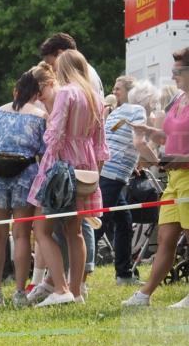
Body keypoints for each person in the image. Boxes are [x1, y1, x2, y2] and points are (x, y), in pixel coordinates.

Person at [27, 55, 108, 306]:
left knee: (42, 230)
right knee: (76, 232)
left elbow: (56, 135)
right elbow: (101, 144)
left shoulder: (66, 93)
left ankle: (61, 289)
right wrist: (95, 173)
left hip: (61, 165)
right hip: (86, 164)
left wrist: (47, 155)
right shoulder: (95, 96)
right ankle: (76, 291)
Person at [124, 48, 189, 308]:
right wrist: (149, 131)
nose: (173, 76)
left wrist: (181, 159)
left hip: (187, 176)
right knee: (165, 238)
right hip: (174, 178)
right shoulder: (178, 99)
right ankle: (144, 295)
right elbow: (170, 138)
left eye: (178, 71)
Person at [0, 70, 47, 306]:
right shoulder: (40, 117)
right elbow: (43, 154)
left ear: (15, 91)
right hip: (25, 177)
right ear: (37, 94)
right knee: (21, 235)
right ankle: (19, 292)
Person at [96, 76, 148, 285]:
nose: (114, 91)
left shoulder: (119, 112)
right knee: (98, 225)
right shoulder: (135, 111)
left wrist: (132, 163)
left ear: (130, 91)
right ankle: (75, 273)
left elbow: (120, 142)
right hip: (113, 174)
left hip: (110, 172)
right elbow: (138, 142)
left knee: (124, 222)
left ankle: (124, 274)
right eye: (114, 88)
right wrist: (156, 161)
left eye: (118, 88)